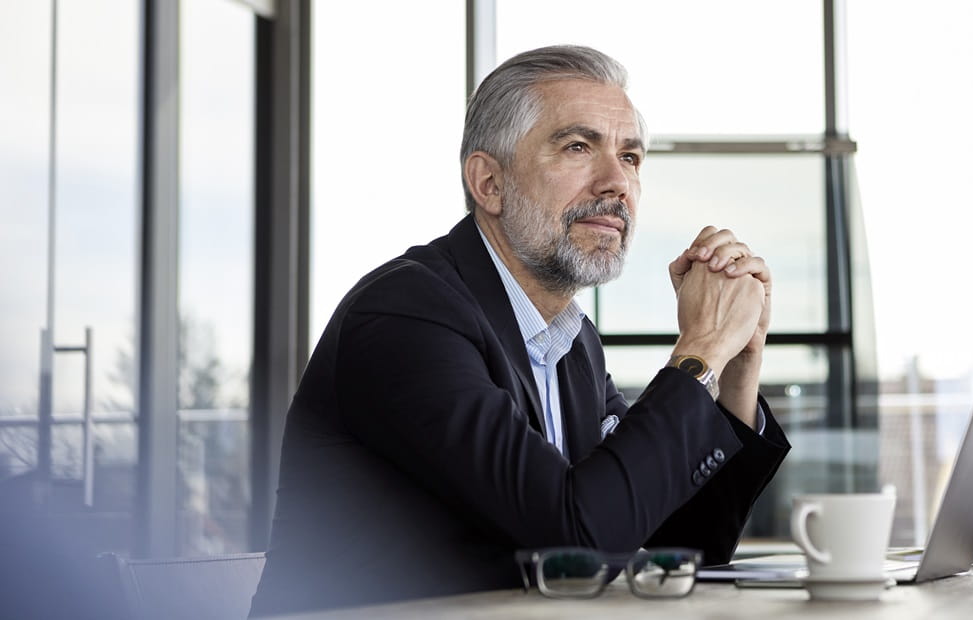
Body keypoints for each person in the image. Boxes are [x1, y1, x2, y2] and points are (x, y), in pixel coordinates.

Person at [249, 45, 790, 616]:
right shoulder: (405, 317)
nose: (616, 182)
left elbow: (678, 545)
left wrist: (732, 371)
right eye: (579, 147)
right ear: (489, 183)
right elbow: (572, 539)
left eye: (630, 157)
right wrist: (699, 349)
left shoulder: (572, 340)